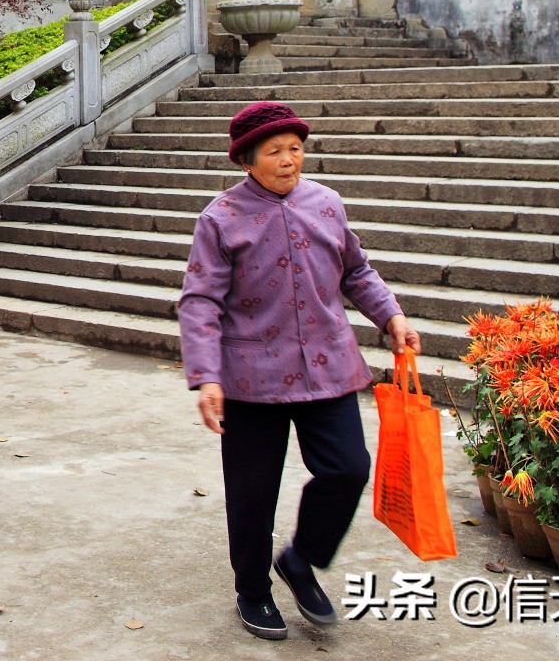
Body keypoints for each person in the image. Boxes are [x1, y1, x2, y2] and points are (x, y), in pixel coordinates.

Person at [178, 100, 421, 640]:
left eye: (295, 149)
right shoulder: (221, 218)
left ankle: (301, 557)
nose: (289, 160)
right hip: (250, 377)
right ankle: (252, 591)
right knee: (252, 494)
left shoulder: (327, 203)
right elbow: (200, 301)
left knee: (348, 468)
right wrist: (206, 376)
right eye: (275, 152)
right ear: (247, 160)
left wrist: (392, 316)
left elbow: (356, 271)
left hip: (329, 366)